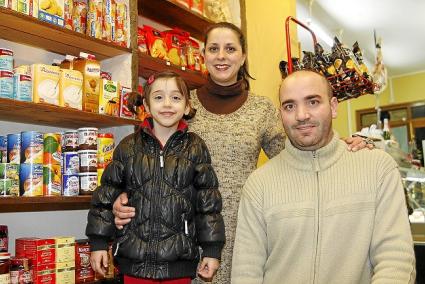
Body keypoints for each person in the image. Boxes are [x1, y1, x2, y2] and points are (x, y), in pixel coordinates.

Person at [112, 22, 372, 284]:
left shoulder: (261, 110)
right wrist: (123, 195)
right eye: (214, 48)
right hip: (180, 242)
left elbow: (298, 156)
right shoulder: (179, 103)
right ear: (203, 55)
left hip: (246, 234)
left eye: (230, 48)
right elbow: (145, 156)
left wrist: (340, 146)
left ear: (243, 56)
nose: (221, 56)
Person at [231, 70, 416, 284]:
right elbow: (246, 270)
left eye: (313, 102)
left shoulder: (378, 168)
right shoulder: (259, 183)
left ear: (333, 106)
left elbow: (395, 259)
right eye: (289, 106)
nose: (301, 115)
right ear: (281, 113)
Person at [86, 71, 225, 284]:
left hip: (178, 263)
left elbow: (208, 204)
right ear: (147, 106)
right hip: (133, 262)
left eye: (176, 97)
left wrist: (212, 251)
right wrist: (98, 244)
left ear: (187, 106)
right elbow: (105, 195)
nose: (167, 104)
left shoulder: (196, 147)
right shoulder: (128, 146)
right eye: (159, 97)